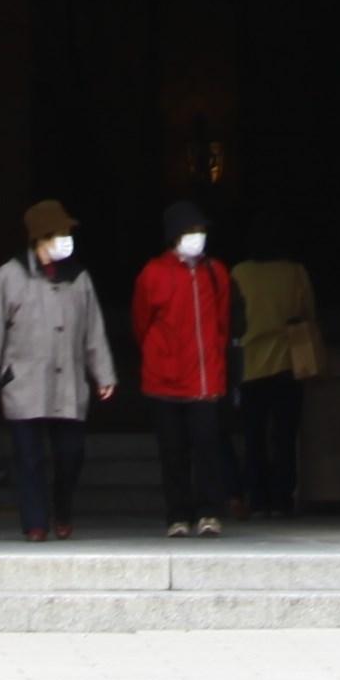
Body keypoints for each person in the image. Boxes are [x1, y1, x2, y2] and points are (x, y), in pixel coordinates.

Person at [0, 200, 119, 541]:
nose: (66, 240)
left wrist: (104, 374)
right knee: (29, 457)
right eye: (60, 234)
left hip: (69, 382)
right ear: (41, 237)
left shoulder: (79, 278)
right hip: (23, 382)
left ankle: (62, 508)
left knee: (71, 454)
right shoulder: (9, 276)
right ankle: (35, 522)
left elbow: (93, 330)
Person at [136, 217, 239, 536]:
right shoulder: (153, 273)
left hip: (203, 380)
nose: (197, 238)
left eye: (201, 231)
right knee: (173, 452)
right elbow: (141, 322)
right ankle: (177, 515)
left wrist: (216, 363)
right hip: (164, 380)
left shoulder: (216, 272)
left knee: (207, 446)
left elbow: (223, 323)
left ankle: (209, 512)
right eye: (189, 231)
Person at [229, 238, 323, 518]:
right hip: (287, 364)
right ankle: (282, 498)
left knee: (253, 436)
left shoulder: (240, 272)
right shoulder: (294, 272)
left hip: (249, 365)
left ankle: (257, 498)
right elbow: (308, 313)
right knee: (284, 436)